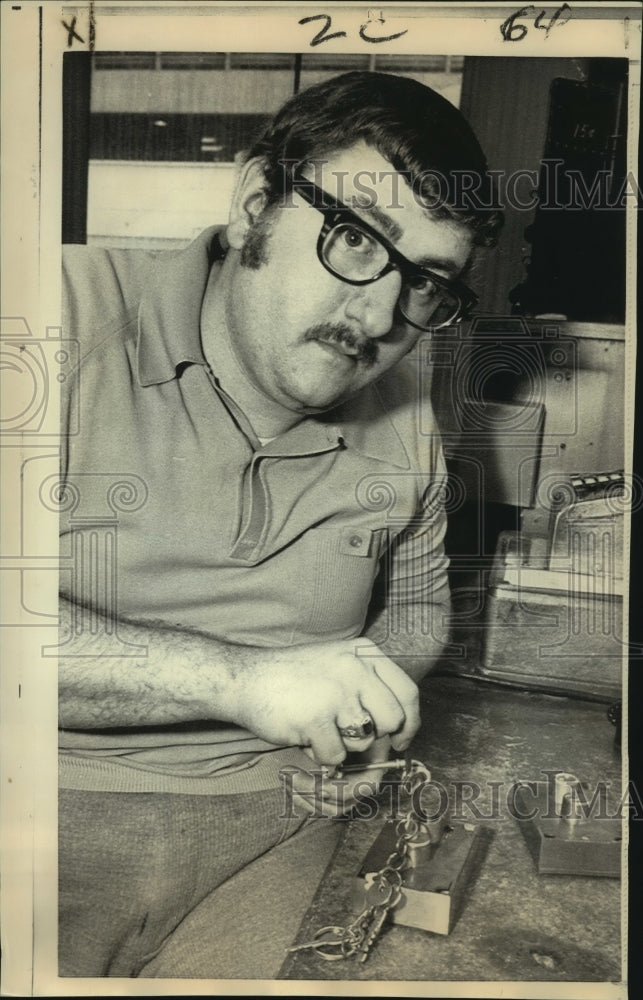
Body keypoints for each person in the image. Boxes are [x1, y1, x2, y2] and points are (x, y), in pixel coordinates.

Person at [57, 70, 502, 978]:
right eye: (352, 239)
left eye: (426, 283)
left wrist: (365, 700)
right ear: (255, 199)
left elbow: (416, 615)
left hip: (286, 824)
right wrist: (241, 679)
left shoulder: (408, 405)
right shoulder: (55, 315)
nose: (378, 317)